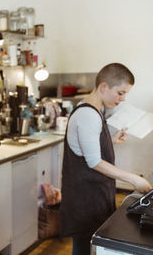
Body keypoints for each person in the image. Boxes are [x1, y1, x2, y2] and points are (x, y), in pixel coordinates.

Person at [60, 63, 152, 255]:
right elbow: (94, 161)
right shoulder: (88, 115)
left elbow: (86, 148)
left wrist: (110, 140)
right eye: (120, 93)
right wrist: (134, 178)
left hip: (91, 193)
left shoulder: (91, 109)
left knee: (85, 245)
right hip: (86, 197)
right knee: (82, 248)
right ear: (104, 87)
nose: (123, 99)